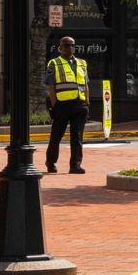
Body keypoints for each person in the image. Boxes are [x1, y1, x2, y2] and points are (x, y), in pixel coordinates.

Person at [45, 36, 90, 174]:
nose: (69, 47)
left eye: (72, 45)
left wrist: (87, 103)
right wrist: (54, 105)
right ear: (60, 47)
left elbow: (86, 84)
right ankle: (51, 163)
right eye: (66, 45)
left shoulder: (82, 63)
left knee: (77, 137)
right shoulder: (54, 63)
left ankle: (75, 165)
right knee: (56, 136)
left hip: (79, 105)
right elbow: (51, 86)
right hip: (62, 106)